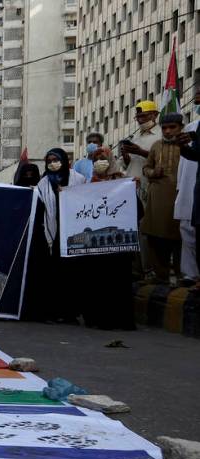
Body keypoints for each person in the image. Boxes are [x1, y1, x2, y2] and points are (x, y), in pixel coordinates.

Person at [21, 148, 86, 323]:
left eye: (55, 159)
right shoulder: (43, 184)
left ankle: (71, 313)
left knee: (72, 274)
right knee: (56, 273)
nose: (52, 163)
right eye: (49, 161)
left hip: (74, 231)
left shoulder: (78, 179)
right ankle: (56, 311)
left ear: (63, 160)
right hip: (54, 233)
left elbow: (87, 199)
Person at [81, 147, 135, 330]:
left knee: (119, 281)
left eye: (104, 158)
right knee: (98, 281)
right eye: (96, 159)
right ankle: (98, 319)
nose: (100, 161)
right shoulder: (88, 184)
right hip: (98, 244)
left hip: (118, 243)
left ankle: (121, 320)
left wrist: (132, 188)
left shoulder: (123, 182)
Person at [141, 113, 185, 283]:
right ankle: (161, 276)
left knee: (181, 238)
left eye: (172, 127)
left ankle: (184, 276)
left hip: (180, 199)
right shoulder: (156, 146)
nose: (167, 131)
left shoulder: (187, 146)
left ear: (181, 127)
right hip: (158, 199)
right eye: (164, 128)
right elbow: (146, 168)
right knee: (157, 238)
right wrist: (153, 172)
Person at [175, 87, 200, 286]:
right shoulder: (193, 126)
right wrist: (183, 147)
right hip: (190, 185)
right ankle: (191, 274)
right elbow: (190, 158)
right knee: (188, 230)